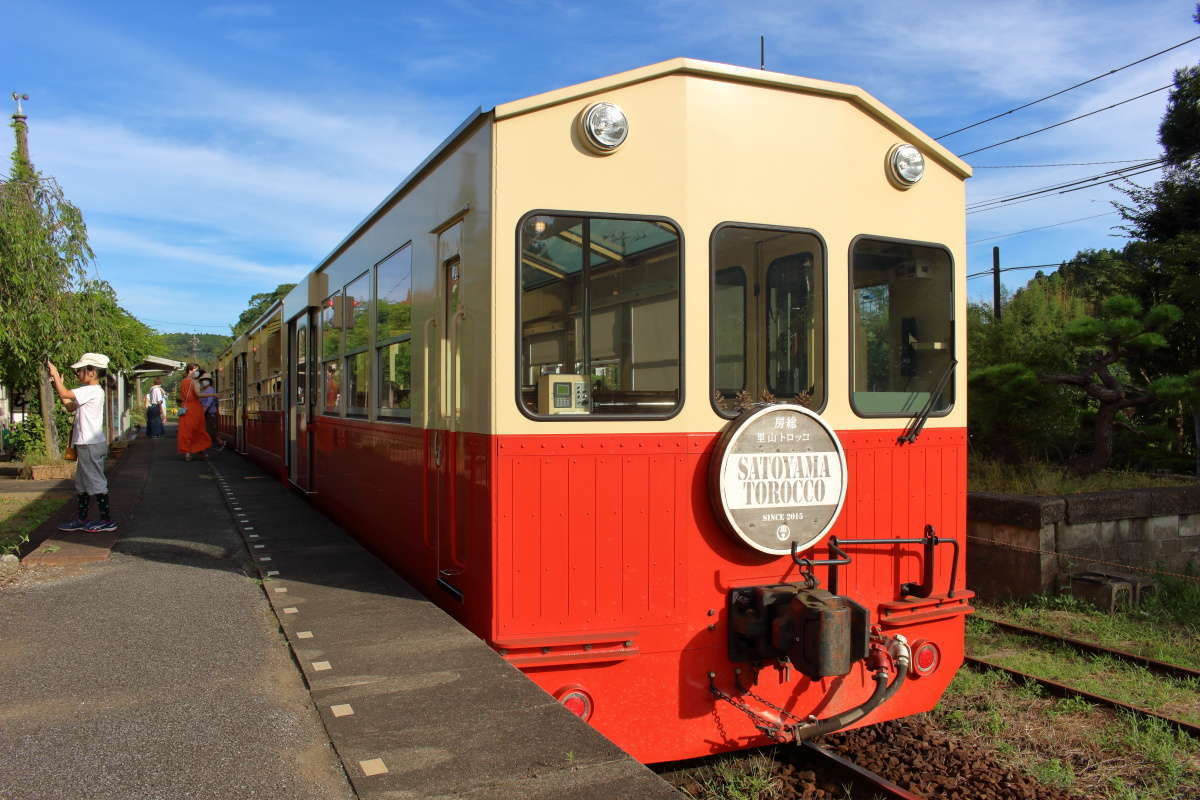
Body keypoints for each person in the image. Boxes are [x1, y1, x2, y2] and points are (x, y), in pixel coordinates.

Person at [48, 353, 117, 533]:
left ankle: (107, 520)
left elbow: (65, 393)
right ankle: (82, 518)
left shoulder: (91, 390)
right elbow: (70, 405)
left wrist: (55, 375)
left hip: (90, 443)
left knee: (95, 481)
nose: (77, 373)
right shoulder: (91, 391)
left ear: (92, 372)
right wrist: (57, 384)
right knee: (83, 483)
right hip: (87, 443)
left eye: (80, 370)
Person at [176, 363, 212, 461]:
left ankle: (187, 453)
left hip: (185, 407)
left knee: (186, 430)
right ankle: (201, 451)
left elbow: (181, 396)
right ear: (191, 370)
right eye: (196, 370)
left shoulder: (183, 382)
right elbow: (198, 394)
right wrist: (213, 394)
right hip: (195, 408)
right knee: (199, 429)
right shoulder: (194, 382)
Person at [196, 375, 221, 450]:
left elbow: (209, 402)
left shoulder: (210, 389)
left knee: (211, 430)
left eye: (204, 380)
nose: (202, 382)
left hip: (210, 413)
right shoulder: (204, 390)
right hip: (206, 413)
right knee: (208, 430)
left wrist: (203, 411)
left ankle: (220, 442)